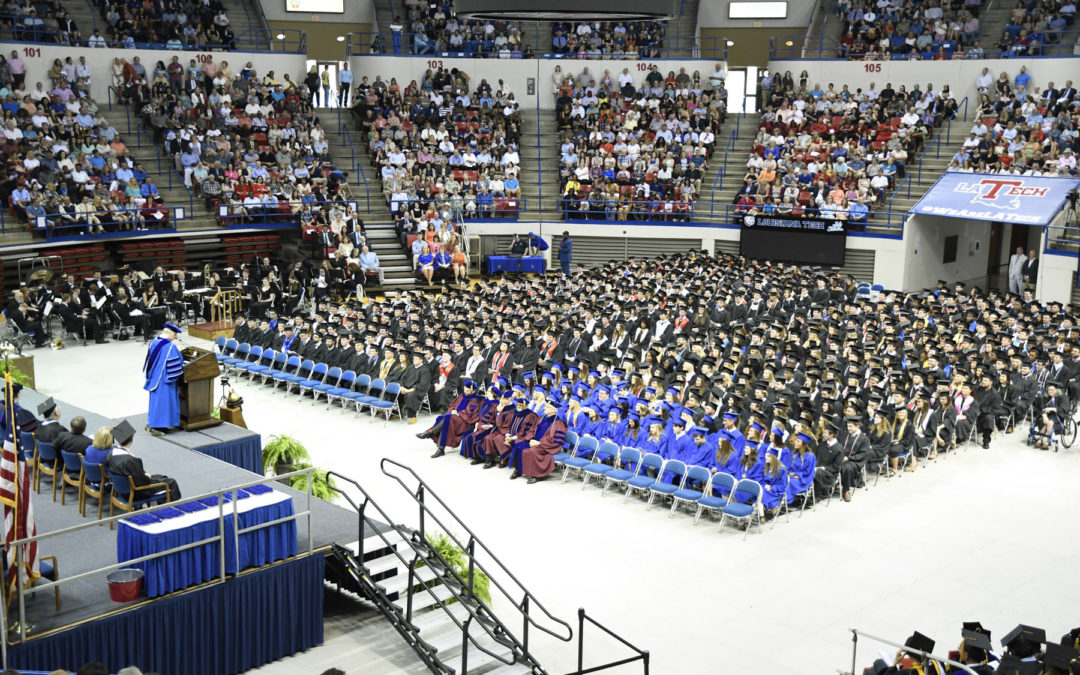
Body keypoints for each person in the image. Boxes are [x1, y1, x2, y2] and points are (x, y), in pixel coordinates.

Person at [104, 420, 181, 502]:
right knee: (171, 483)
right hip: (135, 492)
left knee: (162, 477)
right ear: (132, 439)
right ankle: (171, 510)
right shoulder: (131, 461)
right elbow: (143, 482)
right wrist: (147, 476)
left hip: (121, 489)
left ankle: (162, 507)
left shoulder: (111, 454)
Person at [143, 323, 185, 436]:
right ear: (171, 334)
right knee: (164, 403)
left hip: (154, 376)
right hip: (164, 379)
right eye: (175, 336)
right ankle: (158, 426)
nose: (174, 338)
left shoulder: (154, 341)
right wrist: (179, 351)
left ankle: (153, 423)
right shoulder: (170, 347)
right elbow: (178, 361)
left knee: (156, 402)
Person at [517, 398, 566, 483]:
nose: (544, 408)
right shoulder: (540, 419)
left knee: (530, 451)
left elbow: (556, 441)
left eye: (547, 407)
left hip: (547, 445)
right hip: (535, 442)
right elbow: (532, 430)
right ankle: (521, 471)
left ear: (553, 411)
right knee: (520, 445)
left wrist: (540, 443)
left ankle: (537, 475)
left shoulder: (558, 423)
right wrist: (531, 439)